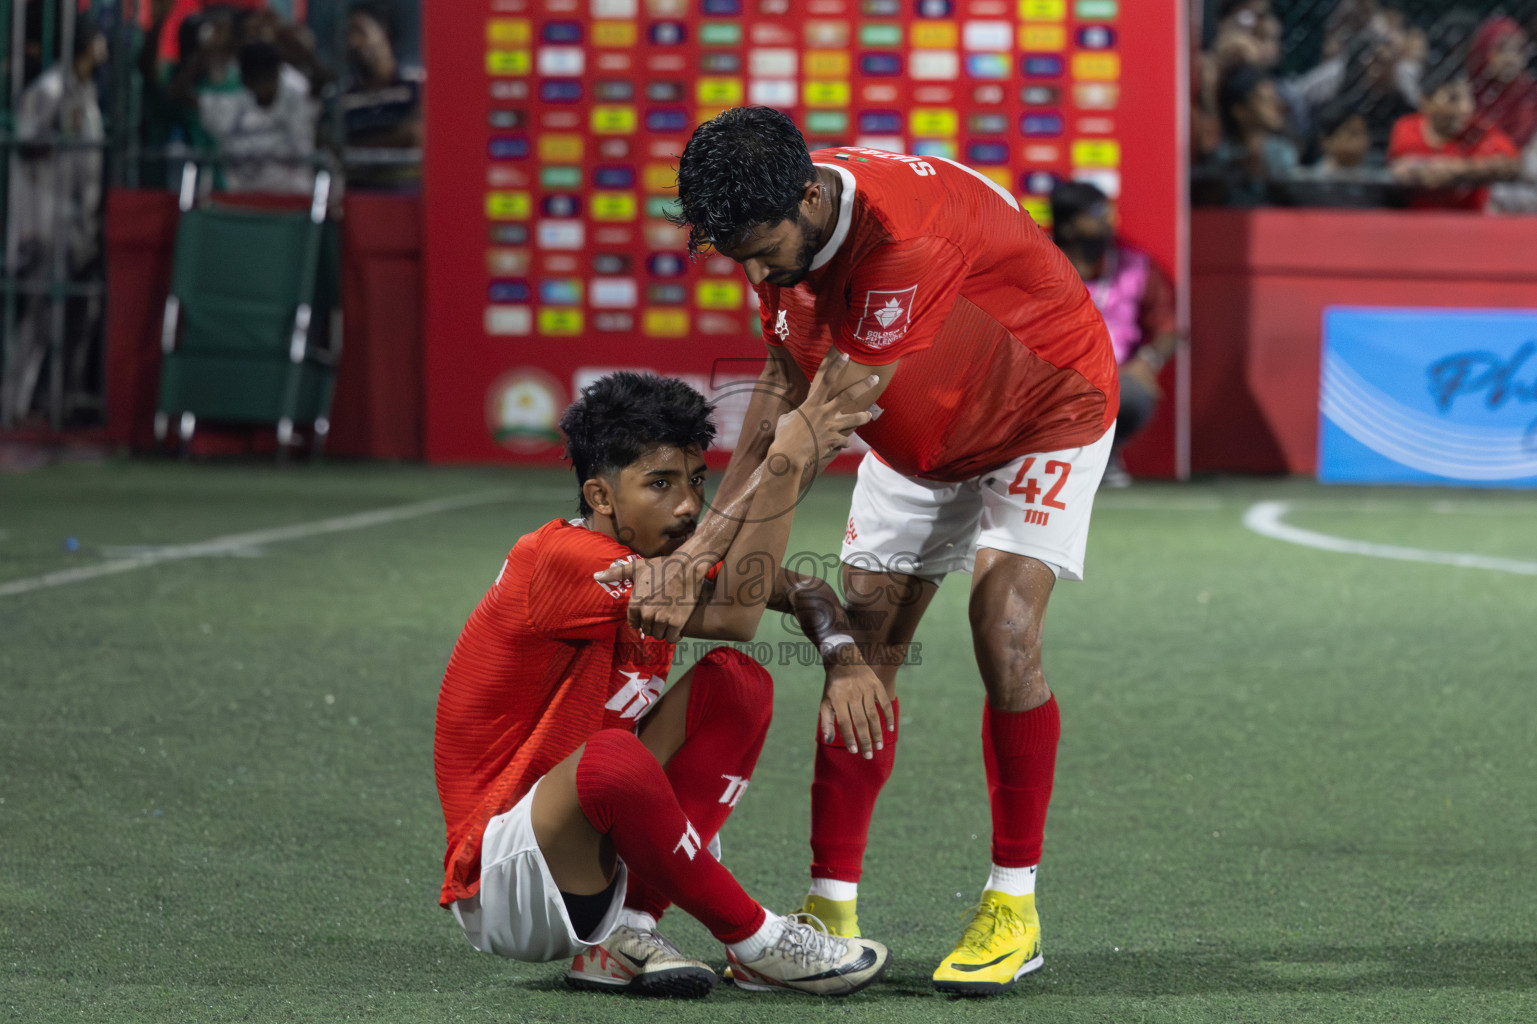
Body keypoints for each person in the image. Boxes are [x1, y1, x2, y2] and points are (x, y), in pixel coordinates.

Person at [619, 106, 1120, 997]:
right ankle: (830, 909)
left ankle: (1013, 904)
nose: (752, 269)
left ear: (808, 199)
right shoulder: (771, 217)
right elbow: (781, 386)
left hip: (1043, 411)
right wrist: (699, 550)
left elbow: (813, 435)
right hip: (914, 432)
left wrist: (692, 552)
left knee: (1002, 627)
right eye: (731, 252)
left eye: (760, 248)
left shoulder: (903, 243)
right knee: (862, 648)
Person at [434, 366, 896, 998]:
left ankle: (629, 932)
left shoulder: (659, 560)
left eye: (694, 480)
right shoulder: (561, 561)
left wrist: (842, 657)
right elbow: (738, 612)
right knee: (611, 757)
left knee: (737, 683)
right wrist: (785, 463)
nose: (686, 506)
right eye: (659, 484)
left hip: (596, 846)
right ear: (600, 497)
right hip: (509, 873)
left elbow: (804, 589)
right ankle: (758, 941)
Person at [3, 15, 107, 425]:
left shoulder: (86, 92)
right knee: (40, 313)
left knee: (81, 311)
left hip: (79, 219)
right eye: (99, 40)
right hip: (44, 217)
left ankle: (53, 402)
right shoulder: (48, 89)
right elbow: (24, 143)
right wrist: (56, 131)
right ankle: (12, 402)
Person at [1049, 182, 1177, 489]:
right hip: (1046, 375)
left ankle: (1105, 456)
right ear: (1067, 228)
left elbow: (1168, 328)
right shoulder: (1037, 262)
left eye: (1107, 211)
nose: (1108, 220)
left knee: (1134, 391)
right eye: (1095, 214)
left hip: (1113, 377)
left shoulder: (1136, 266)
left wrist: (1148, 360)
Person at [1388, 59, 1520, 211]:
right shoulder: (1408, 127)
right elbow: (1404, 165)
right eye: (1453, 99)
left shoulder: (1478, 131)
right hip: (1418, 222)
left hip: (1470, 224)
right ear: (1426, 102)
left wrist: (1458, 169)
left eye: (1469, 97)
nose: (1465, 108)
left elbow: (1509, 165)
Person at [197, 40, 318, 194]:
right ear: (246, 80)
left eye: (268, 79)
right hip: (244, 198)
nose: (264, 87)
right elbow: (179, 96)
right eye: (258, 80)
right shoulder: (232, 104)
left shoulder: (297, 99)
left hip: (293, 196)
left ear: (277, 74)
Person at [341, 1, 424, 189]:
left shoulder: (416, 87)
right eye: (348, 35)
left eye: (360, 31)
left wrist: (357, 147)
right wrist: (394, 139)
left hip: (407, 192)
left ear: (383, 31)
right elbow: (334, 147)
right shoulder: (344, 97)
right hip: (358, 195)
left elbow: (414, 136)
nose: (354, 42)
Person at [1203, 64, 1300, 205]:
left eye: (1274, 97)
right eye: (1264, 99)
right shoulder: (1221, 160)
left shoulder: (1283, 153)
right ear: (1239, 110)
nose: (1276, 105)